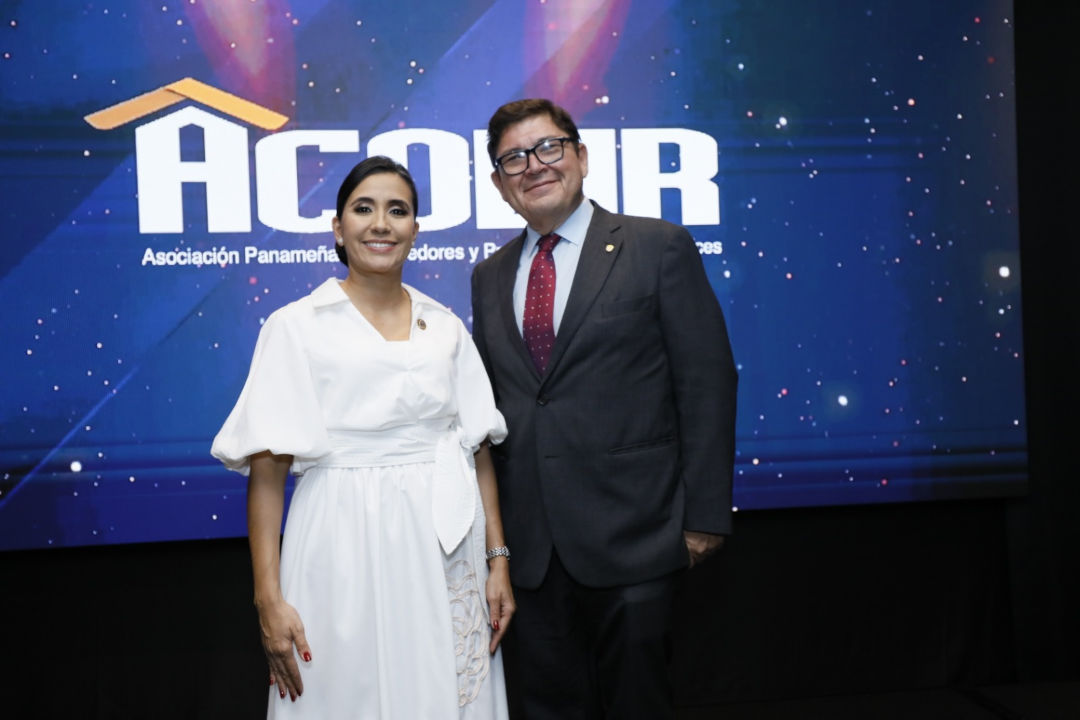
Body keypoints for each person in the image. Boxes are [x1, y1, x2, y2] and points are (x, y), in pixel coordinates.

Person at [212, 156, 514, 719]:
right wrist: (267, 599)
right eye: (363, 209)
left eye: (397, 211)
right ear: (337, 227)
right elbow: (268, 474)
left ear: (415, 230)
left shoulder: (445, 326)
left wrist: (498, 562)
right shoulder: (295, 326)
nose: (381, 224)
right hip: (337, 540)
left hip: (445, 544)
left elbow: (477, 450)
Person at [469, 99, 738, 720]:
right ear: (500, 185)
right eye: (514, 159)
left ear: (582, 157)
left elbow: (706, 383)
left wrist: (704, 516)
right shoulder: (488, 277)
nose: (534, 165)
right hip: (532, 553)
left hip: (639, 535)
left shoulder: (656, 245)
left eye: (549, 147)